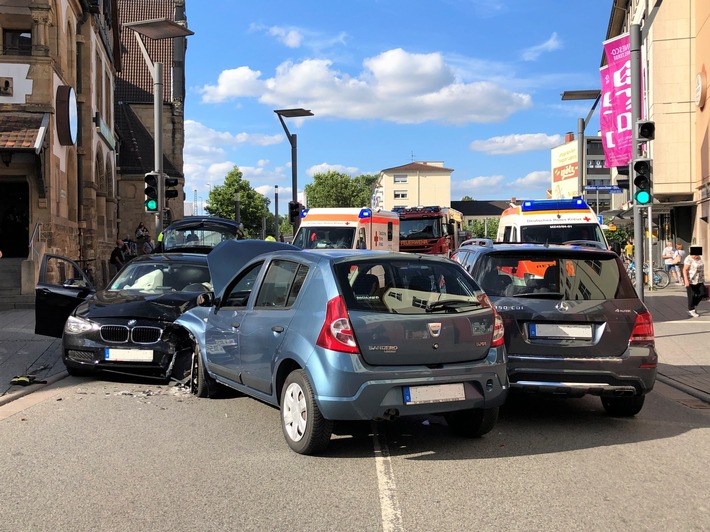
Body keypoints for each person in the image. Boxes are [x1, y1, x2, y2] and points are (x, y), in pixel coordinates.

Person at [683, 246, 705, 318]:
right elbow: (685, 270)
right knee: (691, 295)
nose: (696, 256)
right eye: (694, 255)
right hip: (691, 279)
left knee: (703, 293)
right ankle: (691, 309)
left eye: (697, 255)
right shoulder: (688, 259)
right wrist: (686, 280)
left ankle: (694, 303)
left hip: (699, 279)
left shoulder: (699, 258)